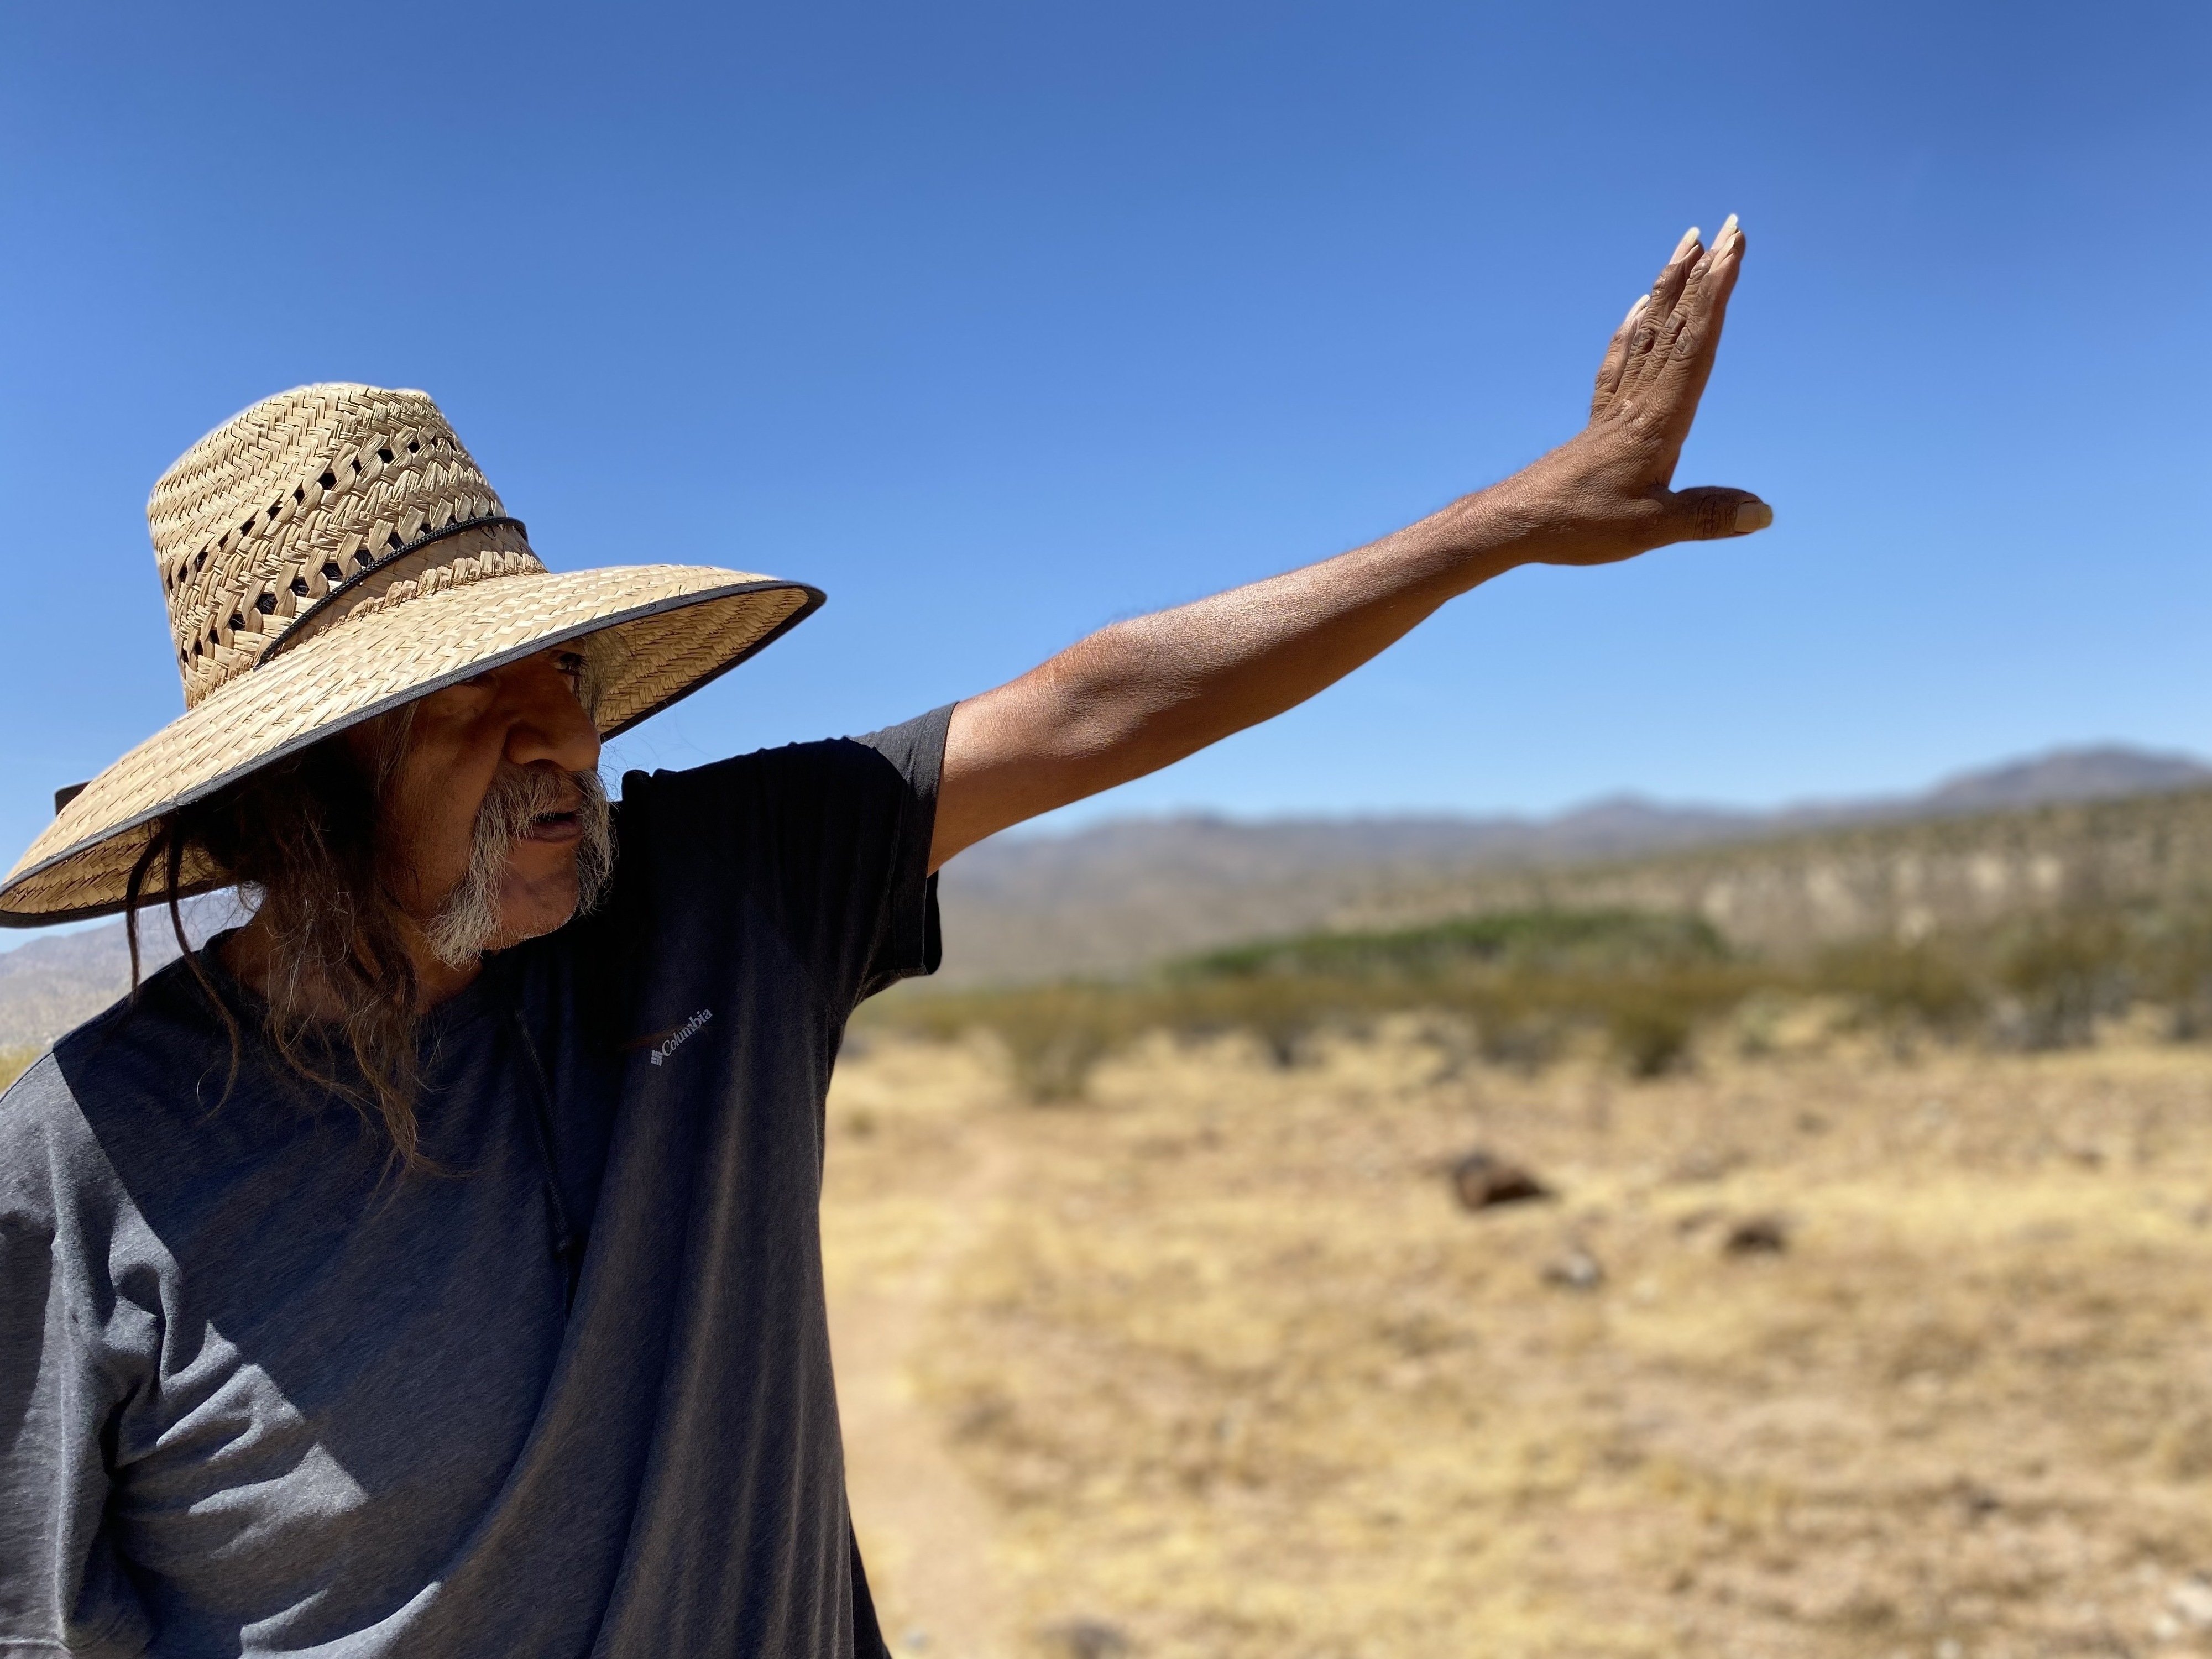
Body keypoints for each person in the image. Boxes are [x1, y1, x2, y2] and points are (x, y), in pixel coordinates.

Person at [0, 219, 1765, 1657]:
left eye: (564, 673)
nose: (561, 735)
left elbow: (1087, 702)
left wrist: (1504, 527)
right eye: (468, 702)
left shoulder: (718, 901)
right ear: (295, 793)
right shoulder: (83, 1171)